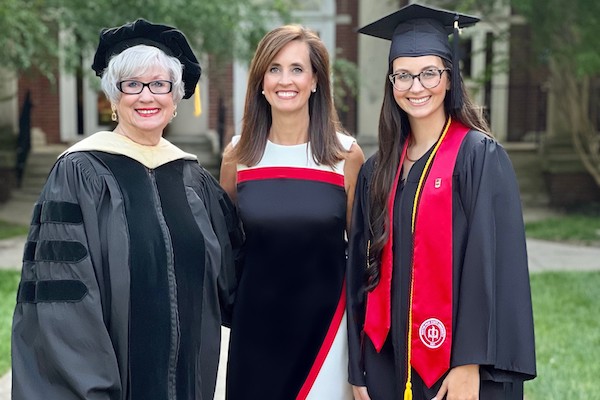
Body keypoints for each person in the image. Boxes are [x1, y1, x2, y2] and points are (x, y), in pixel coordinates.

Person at [11, 19, 243, 400]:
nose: (146, 96)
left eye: (159, 84)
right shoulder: (79, 172)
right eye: (132, 85)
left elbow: (235, 276)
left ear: (175, 97)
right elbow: (62, 303)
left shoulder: (193, 179)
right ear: (114, 98)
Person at [347, 4, 536, 400]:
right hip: (385, 358)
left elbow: (494, 266)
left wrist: (470, 364)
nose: (416, 87)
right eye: (403, 75)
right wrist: (358, 367)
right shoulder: (377, 170)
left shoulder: (479, 158)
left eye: (429, 72)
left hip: (457, 367)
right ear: (391, 82)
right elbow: (359, 272)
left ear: (450, 79)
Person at [220, 24, 364, 400]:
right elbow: (224, 252)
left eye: (297, 69)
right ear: (261, 82)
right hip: (256, 336)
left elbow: (366, 256)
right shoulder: (238, 157)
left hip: (328, 335)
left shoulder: (345, 156)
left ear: (316, 80)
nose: (286, 80)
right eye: (274, 68)